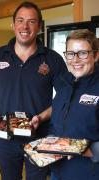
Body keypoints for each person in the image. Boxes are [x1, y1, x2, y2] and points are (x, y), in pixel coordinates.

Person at [0, 1, 67, 180]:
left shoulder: (53, 59)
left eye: (31, 21)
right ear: (13, 25)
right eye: (20, 20)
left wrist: (41, 117)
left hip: (40, 137)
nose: (25, 26)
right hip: (6, 138)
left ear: (39, 26)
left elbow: (64, 98)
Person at [46, 29, 99, 180]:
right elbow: (56, 124)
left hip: (88, 173)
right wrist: (48, 144)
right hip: (58, 172)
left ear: (95, 55)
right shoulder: (64, 85)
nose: (75, 60)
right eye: (70, 54)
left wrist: (89, 150)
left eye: (82, 53)